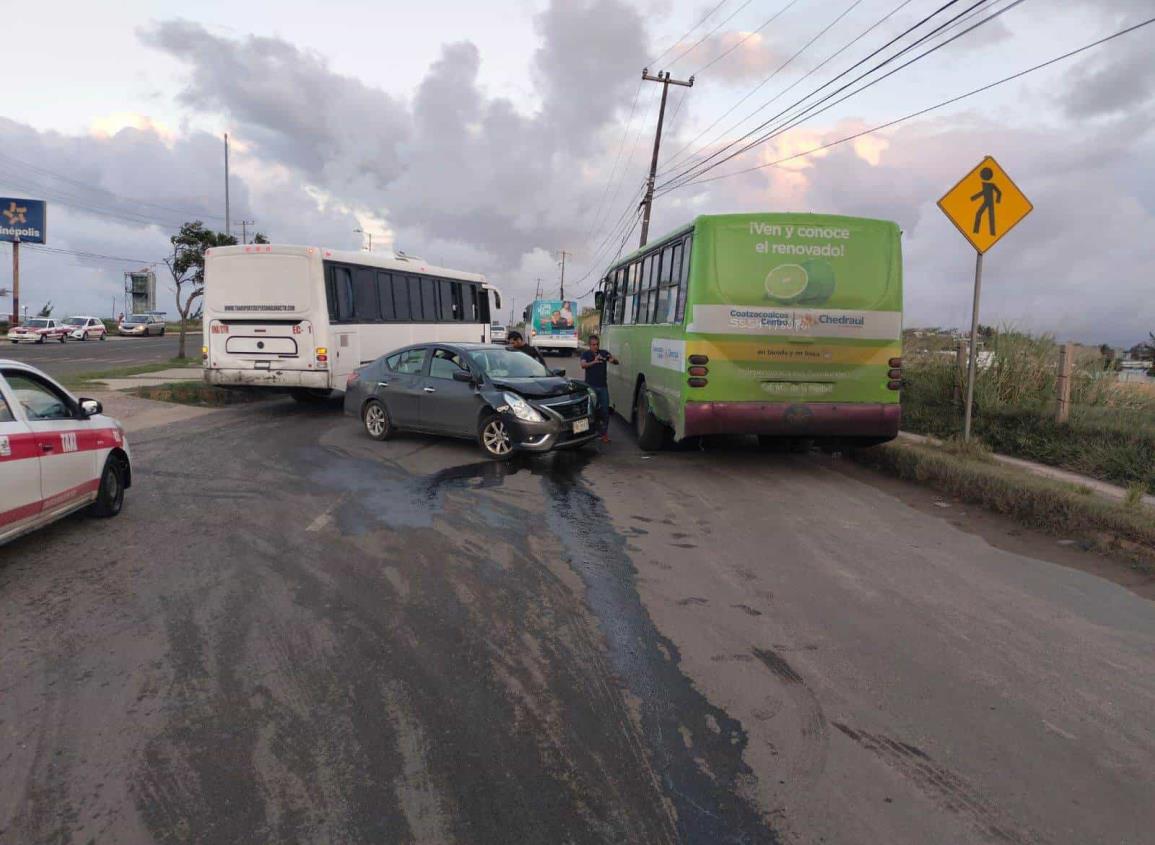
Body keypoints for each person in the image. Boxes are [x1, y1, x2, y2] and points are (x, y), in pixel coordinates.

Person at [579, 334, 618, 443]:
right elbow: (583, 365)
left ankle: (604, 434)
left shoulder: (603, 353)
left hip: (603, 387)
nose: (595, 347)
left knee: (605, 411)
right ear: (589, 345)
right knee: (590, 411)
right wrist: (594, 362)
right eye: (593, 345)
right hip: (591, 387)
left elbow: (616, 361)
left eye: (597, 344)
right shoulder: (585, 354)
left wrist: (611, 360)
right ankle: (586, 434)